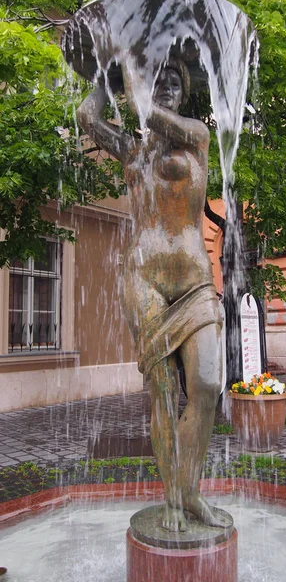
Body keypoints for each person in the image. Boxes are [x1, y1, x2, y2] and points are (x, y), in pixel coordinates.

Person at [77, 57, 224, 532]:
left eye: (173, 81)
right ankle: (176, 501)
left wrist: (133, 71)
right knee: (161, 392)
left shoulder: (196, 136)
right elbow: (86, 118)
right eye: (157, 79)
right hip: (144, 277)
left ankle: (189, 488)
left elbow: (150, 111)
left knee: (205, 385)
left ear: (183, 94)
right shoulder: (132, 150)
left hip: (194, 278)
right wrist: (105, 74)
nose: (163, 88)